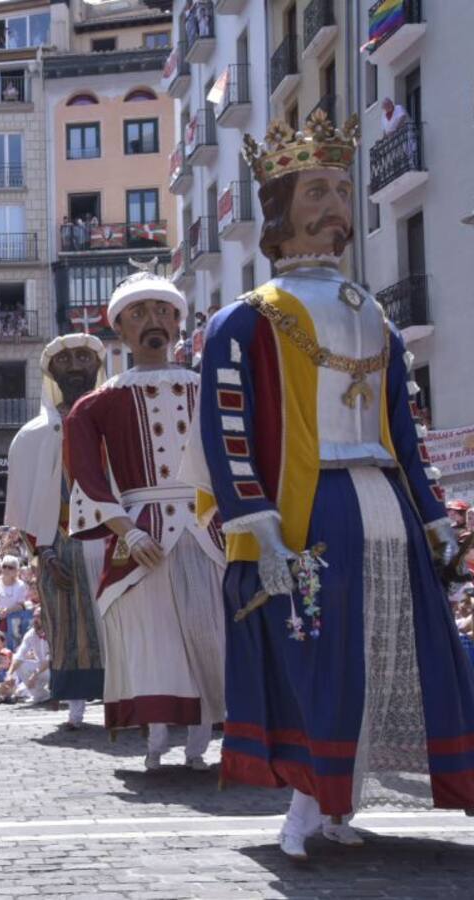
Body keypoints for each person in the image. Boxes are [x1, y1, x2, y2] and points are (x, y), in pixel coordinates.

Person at [182, 110, 474, 859]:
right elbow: (227, 434)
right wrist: (256, 521)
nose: (335, 204)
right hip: (309, 513)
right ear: (280, 209)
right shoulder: (243, 321)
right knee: (319, 659)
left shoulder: (375, 316)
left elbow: (403, 429)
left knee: (386, 654)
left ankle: (340, 801)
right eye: (317, 190)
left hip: (385, 504)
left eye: (342, 189)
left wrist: (434, 517)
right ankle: (308, 806)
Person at [65, 265, 226, 773]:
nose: (153, 321)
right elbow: (86, 477)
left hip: (208, 530)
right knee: (151, 636)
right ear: (119, 328)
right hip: (141, 535)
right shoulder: (95, 405)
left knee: (212, 633)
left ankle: (202, 736)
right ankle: (156, 732)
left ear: (178, 323)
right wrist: (127, 531)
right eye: (138, 313)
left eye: (162, 311)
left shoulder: (213, 391)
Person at [6, 333, 107, 730]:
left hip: (111, 537)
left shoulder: (116, 423)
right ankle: (76, 707)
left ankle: (127, 702)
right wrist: (44, 552)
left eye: (84, 362)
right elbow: (26, 506)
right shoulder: (32, 436)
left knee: (120, 623)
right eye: (66, 365)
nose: (77, 371)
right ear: (52, 376)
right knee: (66, 627)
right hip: (59, 543)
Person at [0, 555, 28, 629]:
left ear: (17, 570)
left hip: (14, 624)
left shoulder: (21, 585)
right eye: (4, 566)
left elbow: (21, 605)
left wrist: (6, 611)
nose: (6, 569)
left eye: (10, 567)